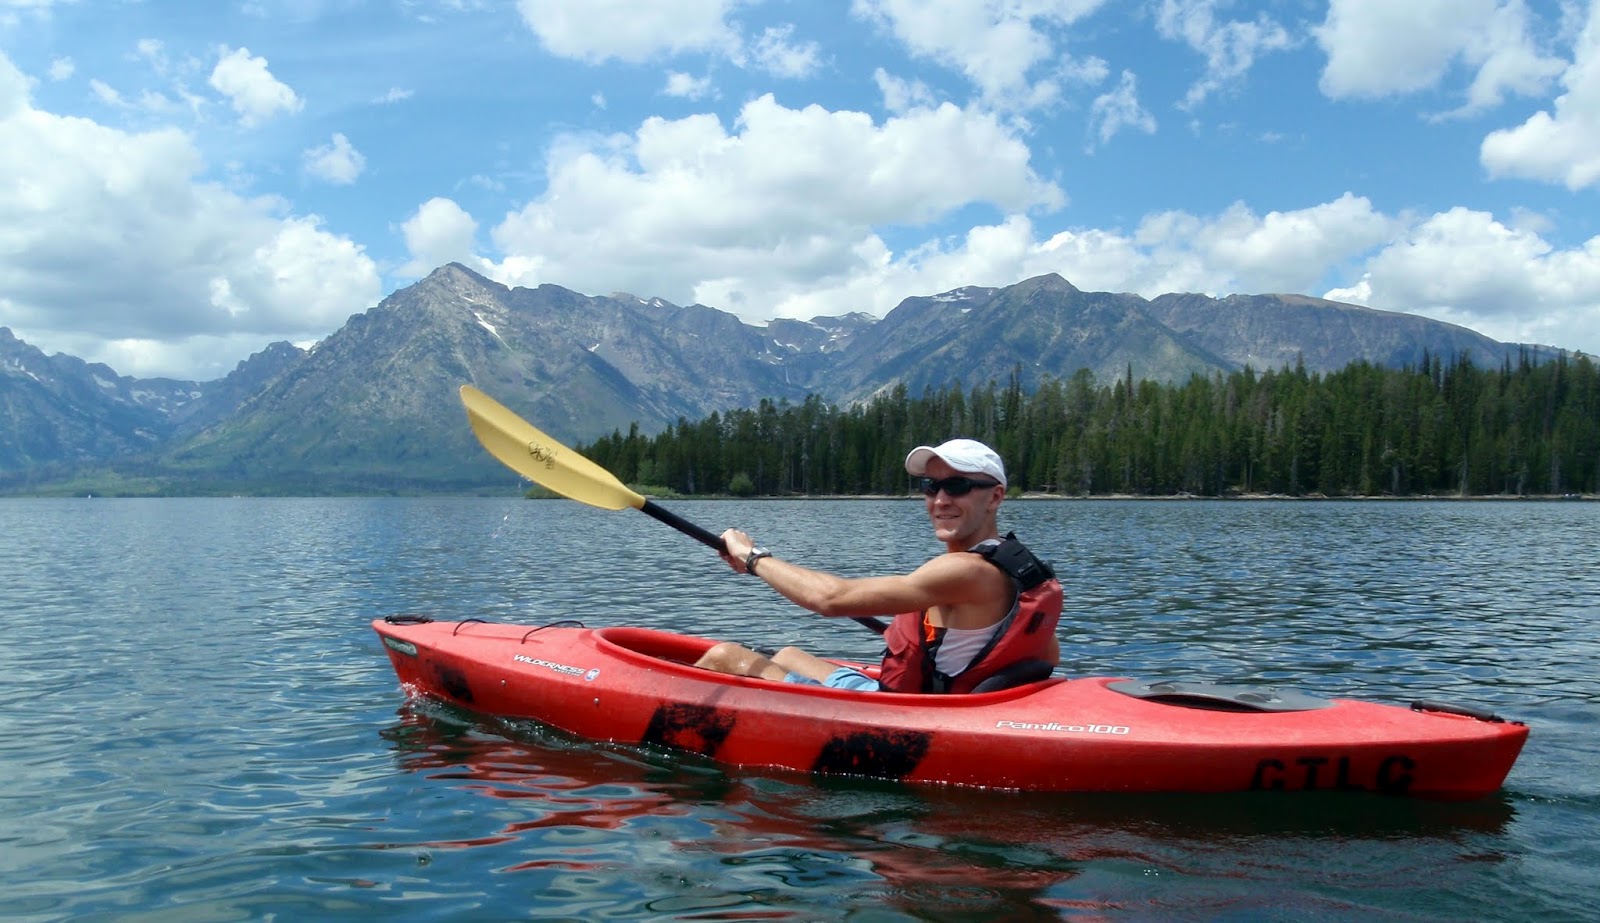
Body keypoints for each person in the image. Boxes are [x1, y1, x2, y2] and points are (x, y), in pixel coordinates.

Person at [695, 438, 1063, 693]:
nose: (940, 499)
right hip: (918, 691)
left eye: (958, 486)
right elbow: (1046, 653)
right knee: (788, 655)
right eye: (930, 487)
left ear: (995, 496)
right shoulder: (1016, 564)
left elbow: (831, 599)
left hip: (908, 711)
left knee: (724, 656)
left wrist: (752, 556)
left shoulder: (967, 571)